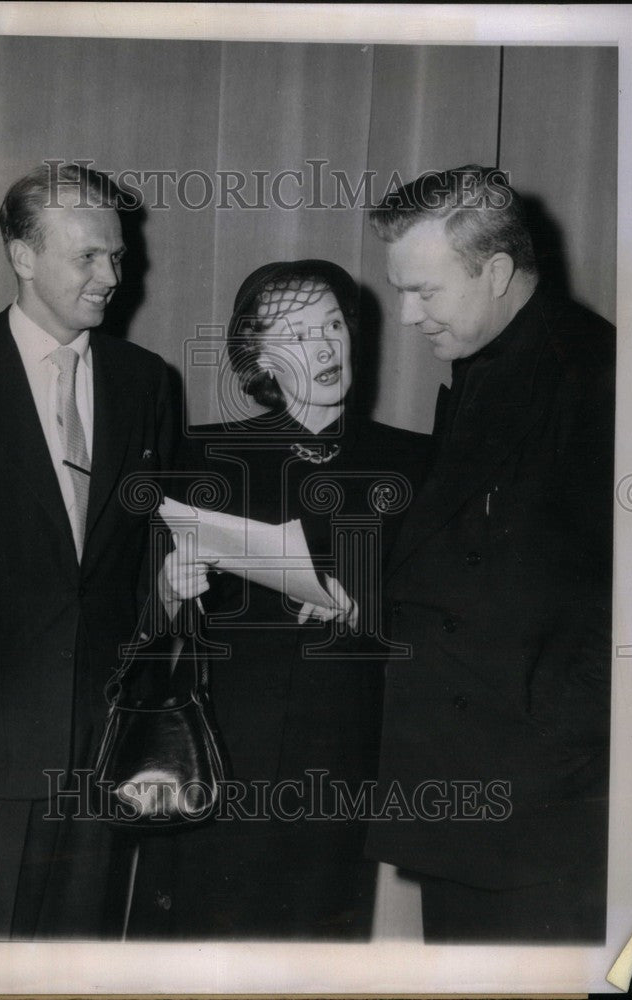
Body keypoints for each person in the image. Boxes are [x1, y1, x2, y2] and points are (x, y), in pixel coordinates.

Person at [0, 162, 173, 939]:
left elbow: (148, 541)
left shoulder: (146, 381)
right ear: (22, 256)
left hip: (102, 740)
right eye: (87, 255)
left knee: (73, 967)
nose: (111, 275)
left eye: (116, 256)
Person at [127, 259, 429, 939]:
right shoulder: (200, 457)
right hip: (213, 758)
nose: (324, 348)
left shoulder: (419, 462)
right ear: (255, 355)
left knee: (315, 956)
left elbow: (445, 615)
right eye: (295, 334)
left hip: (340, 763)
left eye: (333, 326)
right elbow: (142, 622)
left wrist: (365, 613)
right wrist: (171, 592)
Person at [366, 165, 615, 942]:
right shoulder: (486, 361)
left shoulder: (598, 375)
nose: (407, 317)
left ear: (499, 271)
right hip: (467, 784)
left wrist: (552, 746)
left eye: (425, 293)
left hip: (540, 804)